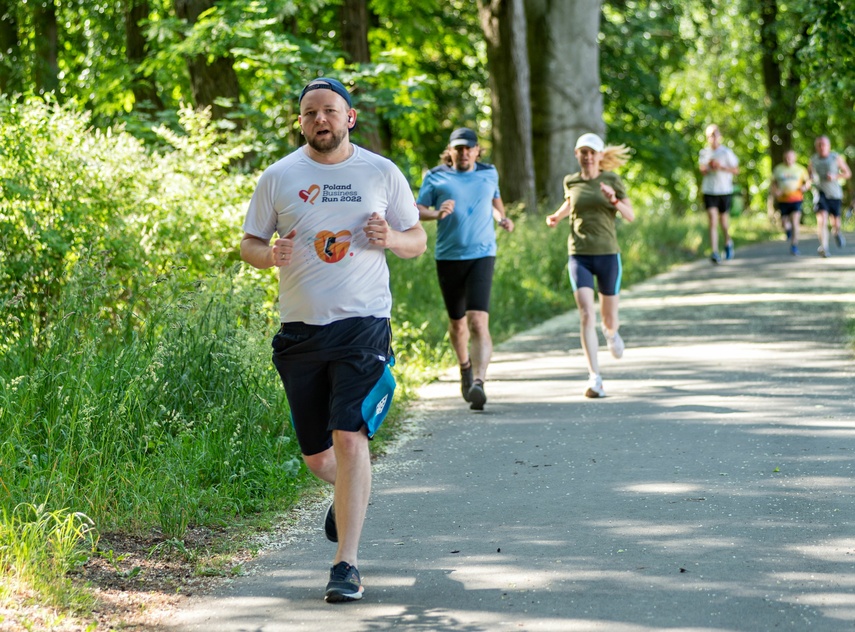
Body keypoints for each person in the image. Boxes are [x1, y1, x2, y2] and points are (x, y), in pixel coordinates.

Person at [240, 77, 426, 603]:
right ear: (301, 122)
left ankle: (346, 564)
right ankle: (351, 491)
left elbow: (416, 239)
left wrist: (391, 237)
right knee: (321, 459)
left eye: (329, 111)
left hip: (363, 325)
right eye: (309, 113)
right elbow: (249, 242)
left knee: (350, 439)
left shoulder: (380, 172)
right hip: (300, 331)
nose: (320, 119)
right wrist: (266, 254)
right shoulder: (279, 177)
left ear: (350, 118)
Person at [416, 127, 514, 411]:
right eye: (457, 148)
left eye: (468, 148)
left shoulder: (489, 173)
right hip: (448, 256)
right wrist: (436, 213)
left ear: (476, 150)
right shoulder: (435, 176)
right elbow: (418, 208)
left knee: (477, 321)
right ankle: (465, 369)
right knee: (458, 325)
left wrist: (502, 218)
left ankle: (479, 383)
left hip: (482, 254)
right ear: (451, 151)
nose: (463, 153)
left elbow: (494, 201)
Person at [545, 133, 634, 398]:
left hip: (607, 254)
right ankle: (595, 377)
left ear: (599, 156)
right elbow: (572, 202)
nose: (587, 157)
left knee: (608, 320)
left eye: (592, 152)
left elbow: (630, 215)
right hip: (579, 255)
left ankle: (612, 334)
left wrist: (614, 200)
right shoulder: (570, 181)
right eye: (583, 152)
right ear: (577, 154)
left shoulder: (611, 180)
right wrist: (558, 217)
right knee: (586, 313)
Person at [698, 124, 739, 263]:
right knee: (712, 220)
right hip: (709, 190)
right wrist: (710, 167)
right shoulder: (704, 153)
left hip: (724, 190)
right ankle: (714, 252)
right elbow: (702, 170)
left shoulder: (726, 152)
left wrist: (720, 167)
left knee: (723, 223)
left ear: (719, 136)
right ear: (707, 138)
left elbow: (736, 170)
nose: (713, 138)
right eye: (710, 135)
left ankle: (728, 242)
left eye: (715, 135)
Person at [809, 135, 852, 258]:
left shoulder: (835, 158)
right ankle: (824, 247)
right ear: (816, 147)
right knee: (821, 219)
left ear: (829, 146)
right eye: (819, 145)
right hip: (820, 193)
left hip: (834, 194)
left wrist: (835, 176)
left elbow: (848, 173)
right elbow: (809, 176)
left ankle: (836, 232)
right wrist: (810, 180)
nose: (822, 147)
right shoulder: (813, 160)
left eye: (824, 144)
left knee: (836, 223)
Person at [770, 149, 811, 256]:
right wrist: (775, 192)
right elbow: (773, 184)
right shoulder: (778, 169)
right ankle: (788, 230)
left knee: (795, 221)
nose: (788, 159)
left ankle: (794, 245)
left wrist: (805, 187)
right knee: (784, 223)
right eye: (786, 157)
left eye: (790, 157)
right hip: (783, 200)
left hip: (796, 199)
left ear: (794, 158)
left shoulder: (800, 169)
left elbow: (808, 182)